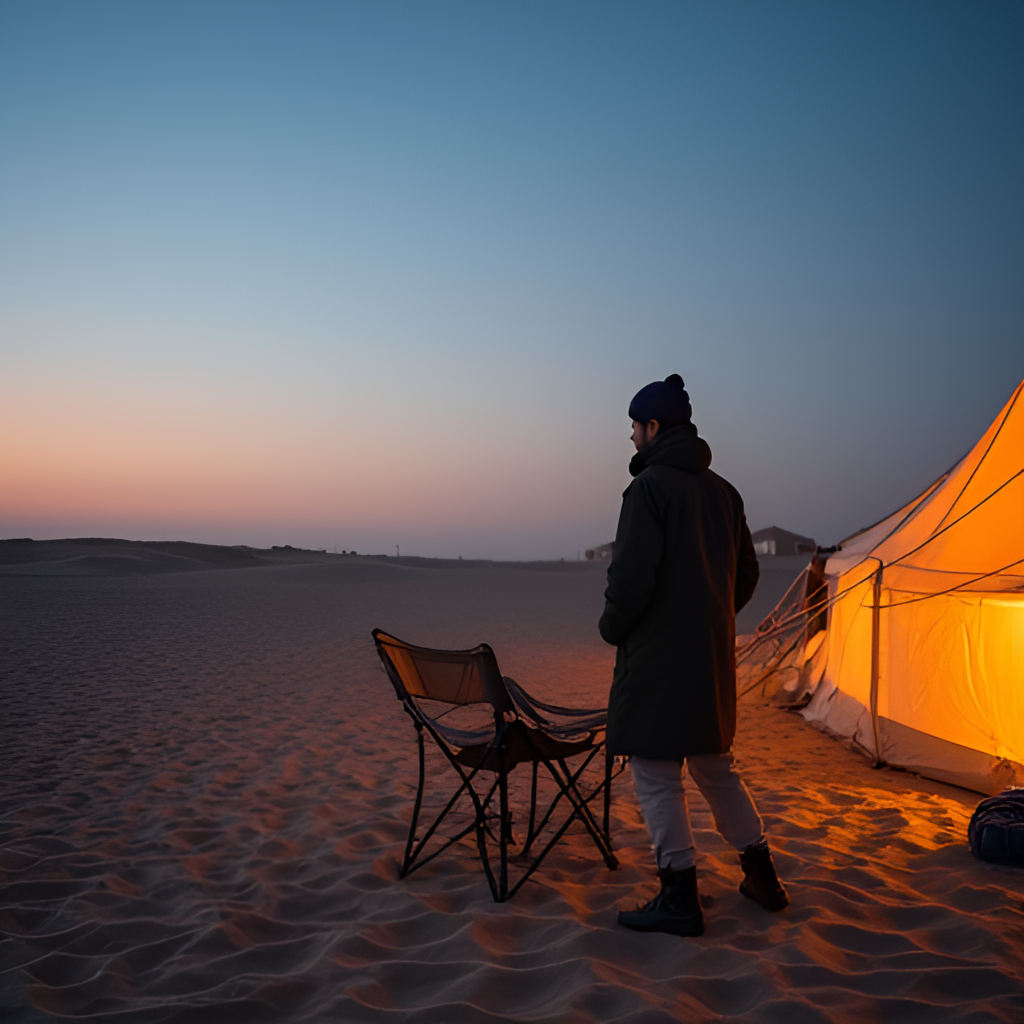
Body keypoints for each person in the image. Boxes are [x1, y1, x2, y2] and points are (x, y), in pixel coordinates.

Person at [599, 373, 789, 938]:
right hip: (709, 658)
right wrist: (709, 613)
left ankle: (679, 895)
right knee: (713, 766)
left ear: (653, 427)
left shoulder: (649, 489)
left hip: (657, 660)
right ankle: (764, 877)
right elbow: (746, 573)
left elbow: (630, 578)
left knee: (656, 772)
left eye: (634, 426)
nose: (631, 437)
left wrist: (614, 627)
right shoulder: (724, 492)